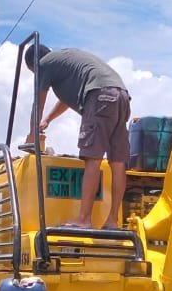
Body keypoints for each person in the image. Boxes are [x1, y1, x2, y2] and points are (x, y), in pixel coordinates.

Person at [22, 44, 130, 230]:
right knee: (118, 162)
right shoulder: (65, 60)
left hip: (99, 96)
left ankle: (84, 219)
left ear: (33, 65)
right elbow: (65, 100)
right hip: (121, 96)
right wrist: (48, 120)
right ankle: (112, 221)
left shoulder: (44, 64)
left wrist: (32, 137)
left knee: (93, 159)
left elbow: (37, 104)